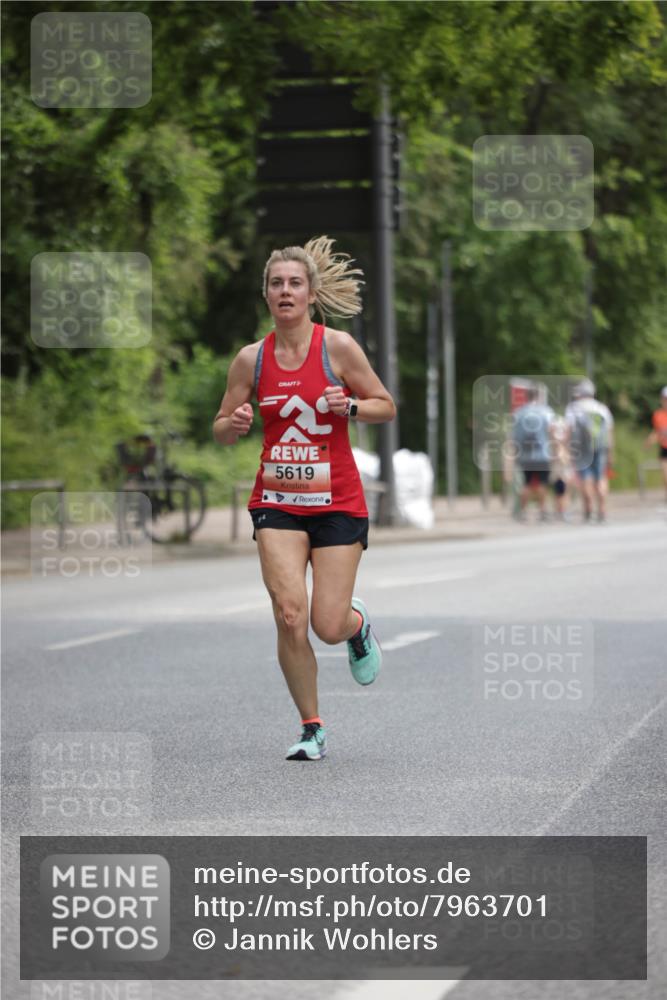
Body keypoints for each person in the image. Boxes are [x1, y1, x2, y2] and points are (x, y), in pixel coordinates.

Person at [212, 236, 396, 761]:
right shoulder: (251, 360)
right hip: (278, 502)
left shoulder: (337, 349)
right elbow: (221, 427)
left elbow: (385, 404)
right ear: (266, 295)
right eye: (276, 284)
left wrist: (352, 408)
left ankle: (355, 628)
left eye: (295, 283)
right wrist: (236, 422)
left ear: (311, 293)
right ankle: (311, 726)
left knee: (325, 624)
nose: (285, 291)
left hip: (338, 501)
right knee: (290, 613)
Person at [565, 378, 614, 523]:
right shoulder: (602, 408)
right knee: (601, 478)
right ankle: (602, 511)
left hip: (582, 449)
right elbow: (609, 432)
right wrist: (610, 452)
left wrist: (567, 450)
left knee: (586, 477)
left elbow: (568, 431)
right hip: (600, 447)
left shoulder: (573, 408)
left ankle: (588, 510)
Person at [511, 386, 555, 522]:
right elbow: (552, 431)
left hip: (525, 454)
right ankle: (543, 512)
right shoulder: (546, 411)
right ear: (539, 397)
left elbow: (514, 436)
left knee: (526, 483)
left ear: (527, 397)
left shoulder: (519, 413)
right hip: (542, 454)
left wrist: (515, 453)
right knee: (542, 483)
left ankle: (523, 512)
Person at [644, 385, 667, 503]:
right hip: (664, 447)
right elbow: (657, 432)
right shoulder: (658, 415)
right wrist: (649, 441)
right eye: (665, 399)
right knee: (665, 473)